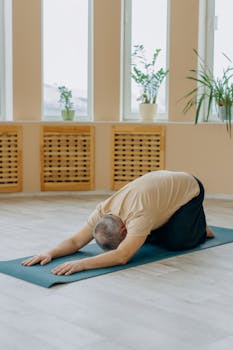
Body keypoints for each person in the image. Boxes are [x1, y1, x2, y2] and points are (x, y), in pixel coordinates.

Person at [22, 170, 214, 276]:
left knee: (175, 243)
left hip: (190, 189)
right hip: (161, 190)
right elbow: (75, 242)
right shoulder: (102, 210)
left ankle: (199, 227)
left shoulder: (139, 214)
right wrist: (49, 252)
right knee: (146, 237)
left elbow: (122, 256)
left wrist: (82, 264)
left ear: (124, 228)